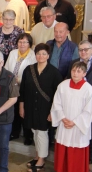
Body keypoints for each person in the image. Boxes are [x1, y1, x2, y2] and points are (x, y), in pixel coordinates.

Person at [19, 43, 63, 172]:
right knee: (34, 131)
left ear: (48, 56)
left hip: (46, 108)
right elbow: (23, 90)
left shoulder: (54, 72)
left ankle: (41, 160)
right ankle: (38, 156)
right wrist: (21, 106)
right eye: (38, 53)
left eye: (44, 53)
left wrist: (53, 112)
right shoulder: (29, 69)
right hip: (30, 106)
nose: (41, 56)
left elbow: (58, 94)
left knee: (42, 133)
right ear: (35, 55)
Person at [51, 61, 92, 172]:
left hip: (78, 127)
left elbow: (90, 110)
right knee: (62, 149)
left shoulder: (88, 89)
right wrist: (62, 117)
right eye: (73, 70)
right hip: (64, 124)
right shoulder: (63, 85)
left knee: (76, 154)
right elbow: (56, 103)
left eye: (79, 71)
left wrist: (75, 122)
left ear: (84, 73)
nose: (75, 73)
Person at [4, 33, 36, 144]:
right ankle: (14, 132)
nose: (22, 44)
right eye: (20, 42)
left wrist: (19, 80)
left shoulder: (33, 56)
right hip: (12, 86)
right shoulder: (13, 53)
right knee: (14, 111)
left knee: (25, 112)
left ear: (30, 44)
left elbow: (32, 74)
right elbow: (6, 68)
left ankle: (28, 136)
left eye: (25, 42)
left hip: (25, 87)